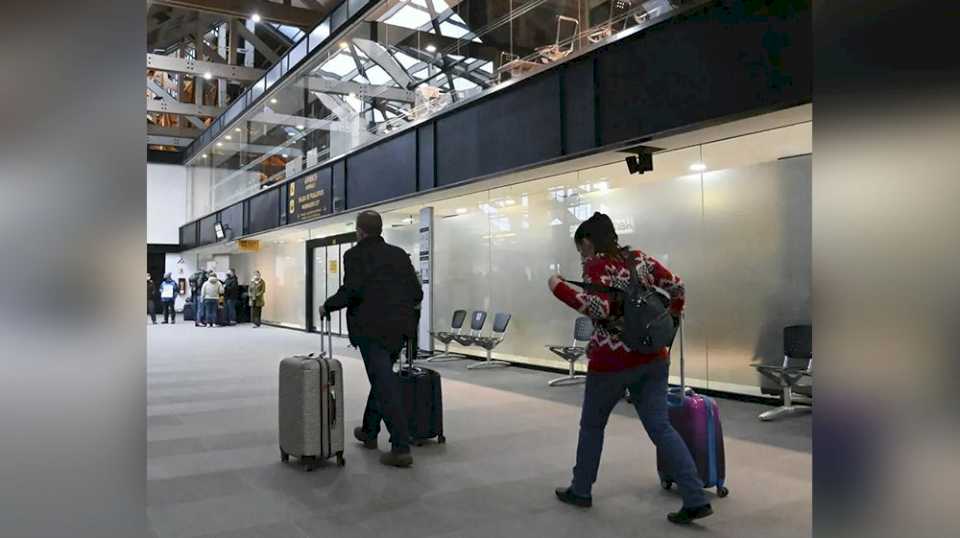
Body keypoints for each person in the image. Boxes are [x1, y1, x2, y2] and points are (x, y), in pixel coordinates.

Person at [547, 212, 713, 525]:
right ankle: (695, 497)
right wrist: (670, 322)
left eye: (580, 246)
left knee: (593, 426)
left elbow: (601, 308)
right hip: (653, 357)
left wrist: (558, 287)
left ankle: (581, 489)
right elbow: (677, 286)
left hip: (612, 363)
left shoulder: (595, 265)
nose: (581, 253)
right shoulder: (640, 259)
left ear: (587, 241)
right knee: (661, 427)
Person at [320, 210, 423, 468]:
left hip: (371, 331)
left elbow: (351, 291)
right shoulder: (399, 254)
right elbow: (417, 293)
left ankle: (400, 447)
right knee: (382, 378)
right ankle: (369, 431)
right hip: (398, 331)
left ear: (360, 231)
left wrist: (327, 306)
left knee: (385, 384)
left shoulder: (354, 255)